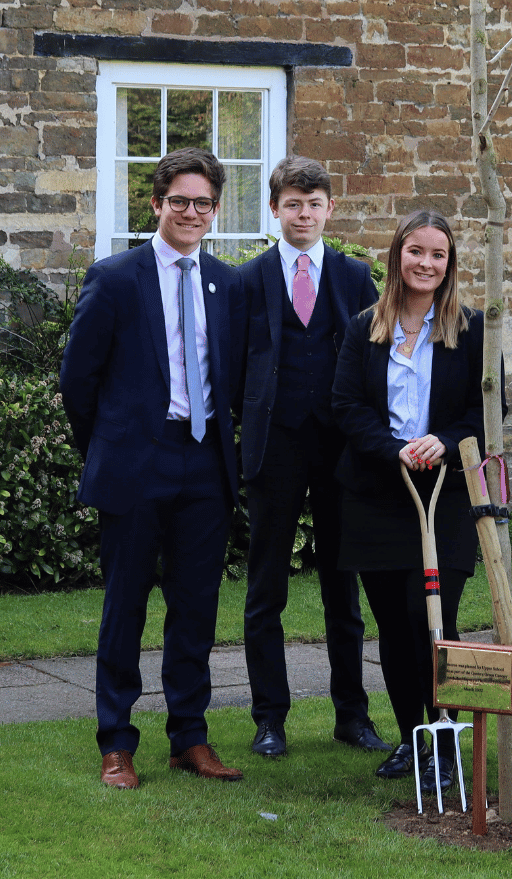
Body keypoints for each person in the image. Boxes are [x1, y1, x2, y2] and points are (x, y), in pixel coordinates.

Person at [60, 147, 247, 789]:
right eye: (179, 202)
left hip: (206, 465)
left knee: (195, 607)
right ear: (156, 204)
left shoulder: (228, 282)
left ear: (215, 211)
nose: (191, 213)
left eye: (203, 204)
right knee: (125, 605)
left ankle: (189, 739)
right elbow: (77, 381)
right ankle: (116, 742)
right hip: (137, 462)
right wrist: (112, 447)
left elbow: (236, 379)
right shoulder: (114, 277)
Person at [331, 209, 485, 794]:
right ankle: (411, 737)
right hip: (378, 490)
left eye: (438, 255)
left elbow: (481, 413)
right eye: (416, 252)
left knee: (434, 621)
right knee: (393, 627)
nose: (426, 263)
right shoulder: (365, 326)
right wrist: (395, 449)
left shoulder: (469, 330)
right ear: (397, 256)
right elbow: (346, 406)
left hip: (444, 494)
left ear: (450, 264)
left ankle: (444, 738)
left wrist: (443, 442)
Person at [238, 156, 386, 759]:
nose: (304, 213)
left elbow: (379, 362)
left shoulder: (355, 277)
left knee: (341, 589)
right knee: (265, 587)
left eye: (315, 203)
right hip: (275, 447)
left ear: (330, 208)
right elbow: (232, 366)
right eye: (293, 203)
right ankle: (269, 718)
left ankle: (352, 714)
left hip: (341, 450)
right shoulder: (248, 279)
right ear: (275, 209)